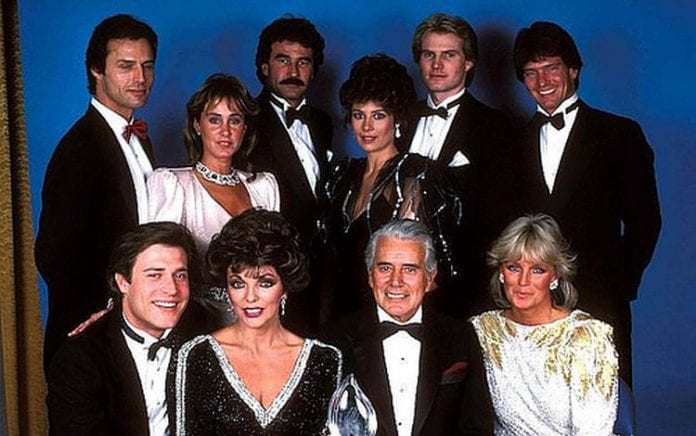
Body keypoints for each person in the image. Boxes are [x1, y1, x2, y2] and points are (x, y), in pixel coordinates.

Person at [511, 21, 661, 384]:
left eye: (551, 68)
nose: (542, 81)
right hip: (531, 303)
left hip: (599, 300)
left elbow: (645, 221)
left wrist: (618, 287)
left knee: (604, 399)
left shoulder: (619, 134)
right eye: (531, 73)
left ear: (574, 70)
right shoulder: (511, 141)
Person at [36, 14, 159, 372]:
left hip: (137, 326)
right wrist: (107, 310)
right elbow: (54, 256)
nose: (140, 78)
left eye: (147, 66)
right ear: (96, 70)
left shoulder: (140, 140)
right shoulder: (78, 148)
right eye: (126, 66)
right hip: (90, 336)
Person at [174, 209, 342, 435]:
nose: (250, 297)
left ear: (285, 287)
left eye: (265, 283)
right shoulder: (196, 355)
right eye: (238, 284)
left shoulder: (325, 361)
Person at [47, 222, 221, 435]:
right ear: (122, 282)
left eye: (180, 275)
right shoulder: (79, 360)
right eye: (154, 275)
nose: (171, 289)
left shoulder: (202, 330)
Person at [322, 219, 494, 436]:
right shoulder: (332, 340)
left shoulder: (461, 336)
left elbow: (477, 428)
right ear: (370, 276)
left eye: (409, 269)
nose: (396, 281)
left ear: (430, 278)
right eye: (385, 268)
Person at [325, 53, 462, 320]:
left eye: (378, 115)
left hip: (391, 316)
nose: (366, 126)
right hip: (338, 314)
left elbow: (428, 271)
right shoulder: (342, 174)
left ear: (396, 119)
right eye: (358, 115)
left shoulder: (413, 174)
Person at [403, 13, 517, 318]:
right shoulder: (400, 117)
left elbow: (499, 217)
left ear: (468, 62)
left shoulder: (495, 126)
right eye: (429, 55)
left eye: (449, 55)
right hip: (396, 284)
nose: (437, 65)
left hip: (463, 287)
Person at [470, 213, 619, 435]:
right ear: (501, 272)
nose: (523, 281)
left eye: (537, 270)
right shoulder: (483, 330)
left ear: (554, 276)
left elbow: (594, 431)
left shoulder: (585, 337)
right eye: (513, 267)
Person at [248, 16, 333, 334]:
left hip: (324, 277)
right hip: (274, 272)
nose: (293, 71)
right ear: (264, 67)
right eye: (283, 60)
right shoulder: (245, 122)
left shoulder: (322, 122)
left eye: (303, 62)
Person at [147, 73, 279, 261]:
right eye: (215, 120)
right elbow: (159, 262)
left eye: (234, 120)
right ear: (197, 126)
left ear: (244, 129)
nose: (226, 131)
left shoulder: (263, 186)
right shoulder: (173, 184)